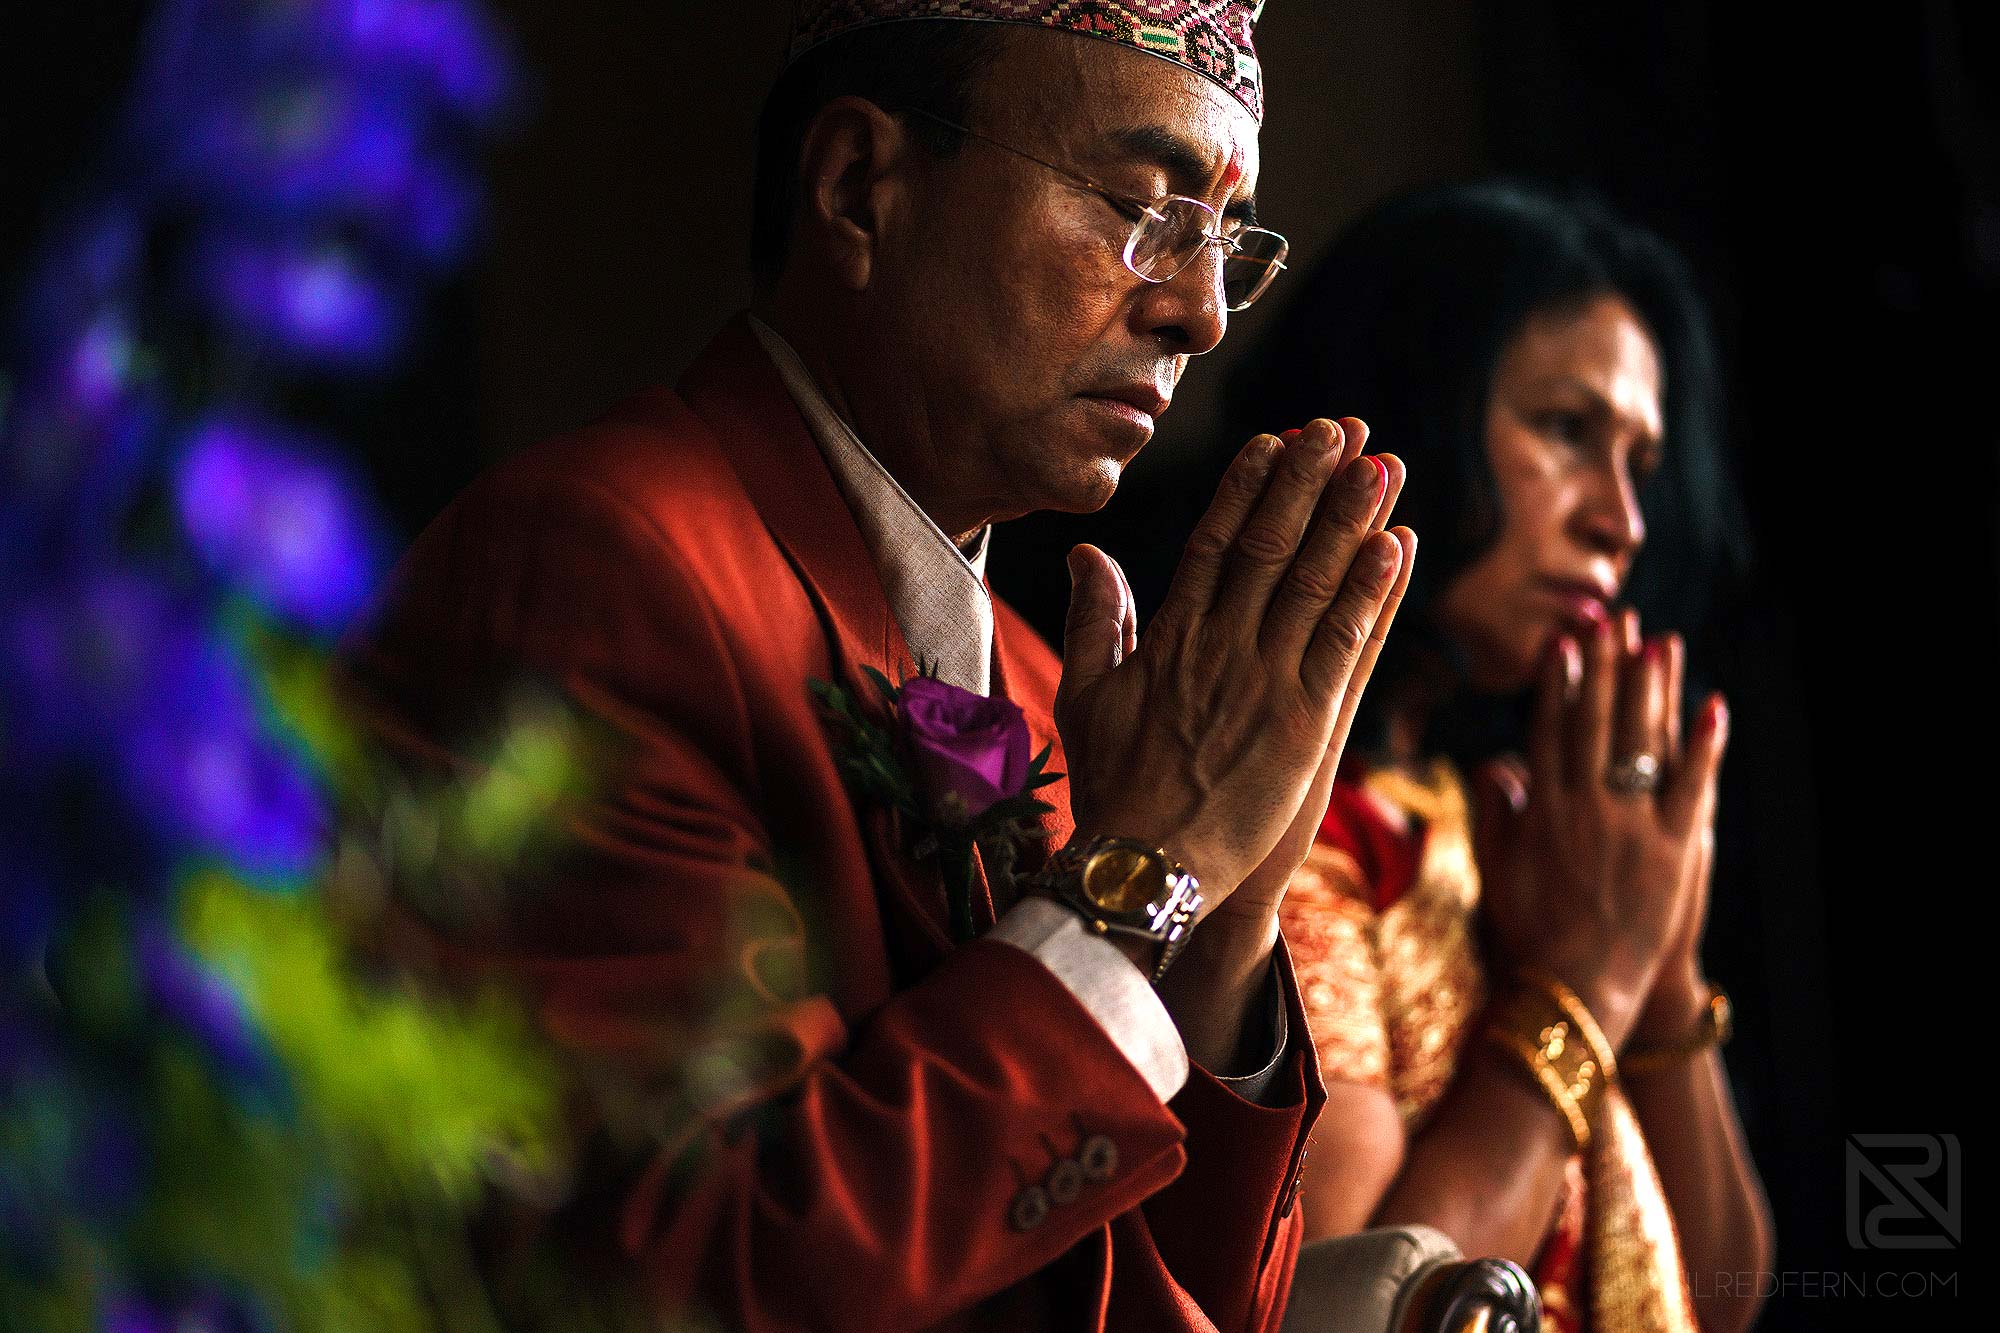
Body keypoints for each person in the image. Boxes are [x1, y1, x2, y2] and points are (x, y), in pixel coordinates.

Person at [336, 5, 1418, 1330]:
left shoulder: (1041, 679)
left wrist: (1227, 920)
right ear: (860, 188)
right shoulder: (601, 565)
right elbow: (692, 1270)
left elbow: (1184, 1304)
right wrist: (1152, 862)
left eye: (1225, 247)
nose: (1196, 314)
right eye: (1143, 209)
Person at [1229, 181, 1774, 1333]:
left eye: (1640, 460)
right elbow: (1358, 1299)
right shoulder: (1274, 815)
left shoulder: (1497, 821)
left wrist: (1659, 964)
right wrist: (1586, 985)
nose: (1621, 522)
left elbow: (1721, 1294)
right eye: (1566, 430)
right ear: (1405, 411)